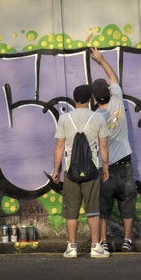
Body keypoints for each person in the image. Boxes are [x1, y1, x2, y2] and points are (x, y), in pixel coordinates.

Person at [50, 83, 110, 258]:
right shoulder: (98, 118)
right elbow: (104, 145)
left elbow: (59, 147)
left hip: (70, 171)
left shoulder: (64, 119)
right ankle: (95, 247)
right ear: (90, 98)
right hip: (92, 170)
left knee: (72, 209)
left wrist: (56, 170)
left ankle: (71, 247)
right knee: (93, 208)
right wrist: (105, 167)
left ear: (74, 99)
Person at [90, 47, 137, 252]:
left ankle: (103, 242)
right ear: (109, 92)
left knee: (104, 207)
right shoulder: (117, 100)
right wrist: (100, 60)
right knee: (127, 202)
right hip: (125, 164)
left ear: (94, 97)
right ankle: (127, 240)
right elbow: (112, 76)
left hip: (105, 167)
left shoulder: (95, 118)